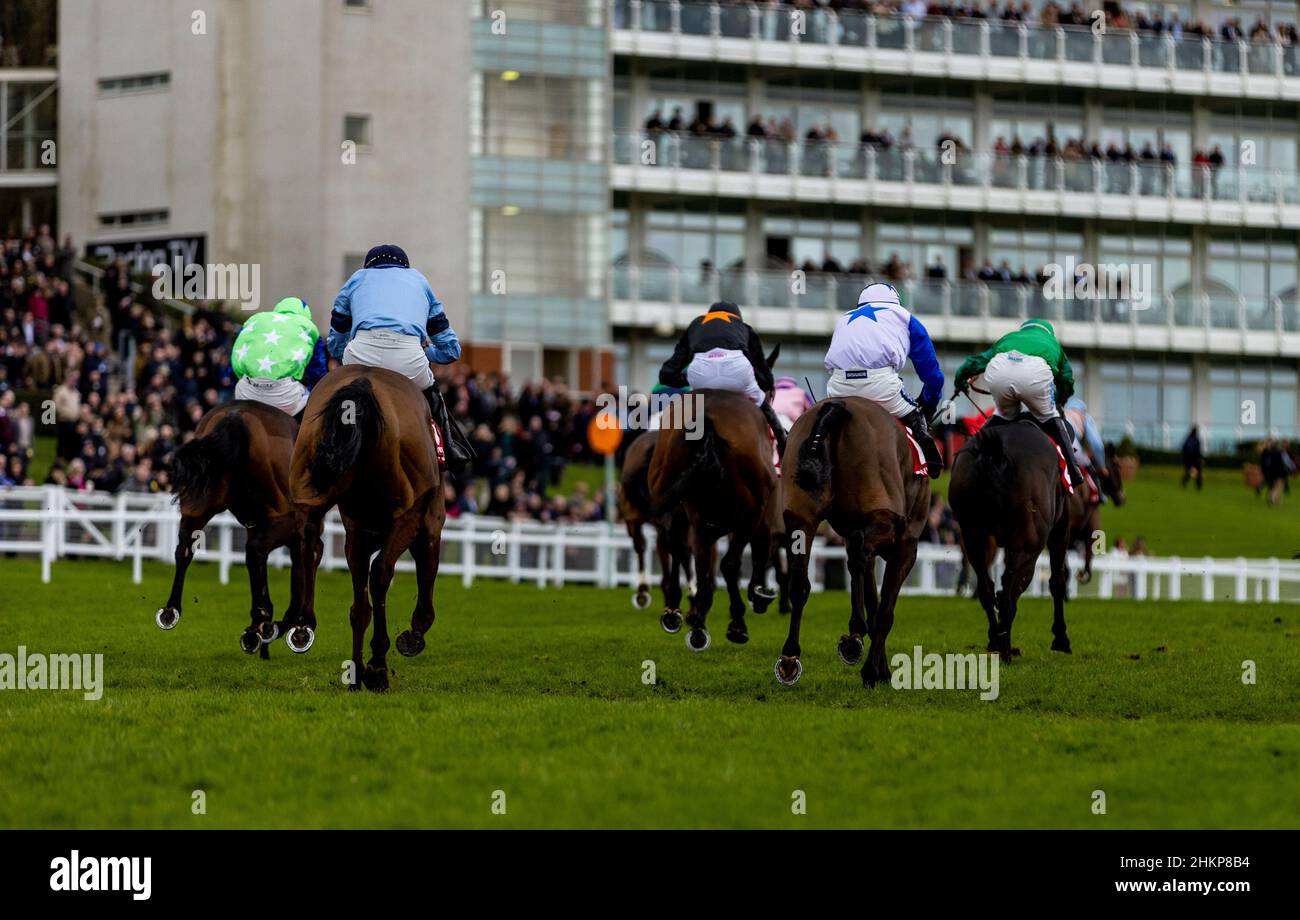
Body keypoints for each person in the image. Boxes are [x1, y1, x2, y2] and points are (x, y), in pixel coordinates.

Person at [328, 244, 472, 469]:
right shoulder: (419, 281)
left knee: (337, 395)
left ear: (369, 266)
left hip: (361, 353)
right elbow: (451, 350)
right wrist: (427, 352)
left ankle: (329, 446)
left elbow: (337, 332)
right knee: (432, 392)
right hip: (407, 357)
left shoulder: (356, 278)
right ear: (404, 267)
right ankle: (449, 448)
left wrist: (340, 355)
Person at [822, 282, 944, 476]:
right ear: (896, 301)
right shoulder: (904, 317)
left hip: (838, 387)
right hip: (880, 385)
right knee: (917, 418)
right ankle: (929, 460)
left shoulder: (843, 318)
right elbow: (933, 376)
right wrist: (928, 403)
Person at [952, 318, 1083, 487]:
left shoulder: (1009, 338)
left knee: (1001, 416)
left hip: (1001, 373)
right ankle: (1074, 469)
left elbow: (976, 362)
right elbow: (1066, 380)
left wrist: (960, 380)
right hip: (1035, 376)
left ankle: (967, 456)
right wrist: (1058, 400)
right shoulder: (1053, 344)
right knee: (1051, 416)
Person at [657, 300, 785, 457]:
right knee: (763, 406)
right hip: (737, 371)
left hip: (701, 373)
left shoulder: (696, 325)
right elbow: (763, 375)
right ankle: (783, 444)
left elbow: (667, 373)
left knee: (686, 408)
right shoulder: (743, 328)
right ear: (737, 317)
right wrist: (762, 385)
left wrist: (685, 379)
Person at [231, 296, 328, 419]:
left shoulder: (254, 320)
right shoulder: (309, 328)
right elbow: (317, 373)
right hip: (285, 397)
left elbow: (234, 361)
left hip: (246, 392)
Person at [1181, 425, 1203, 490]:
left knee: (1192, 472)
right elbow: (1198, 451)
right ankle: (1197, 486)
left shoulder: (1189, 439)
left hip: (1190, 459)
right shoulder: (1194, 440)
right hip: (1192, 459)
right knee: (1194, 472)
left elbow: (1184, 449)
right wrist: (1200, 458)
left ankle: (1186, 483)